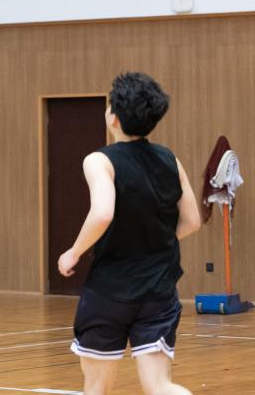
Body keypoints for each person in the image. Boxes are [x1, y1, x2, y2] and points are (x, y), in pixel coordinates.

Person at [59, 72, 202, 395]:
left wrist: (74, 252)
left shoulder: (99, 160)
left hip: (109, 290)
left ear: (113, 116)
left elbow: (103, 213)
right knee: (159, 385)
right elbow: (192, 221)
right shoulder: (170, 160)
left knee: (96, 388)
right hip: (159, 291)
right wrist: (153, 243)